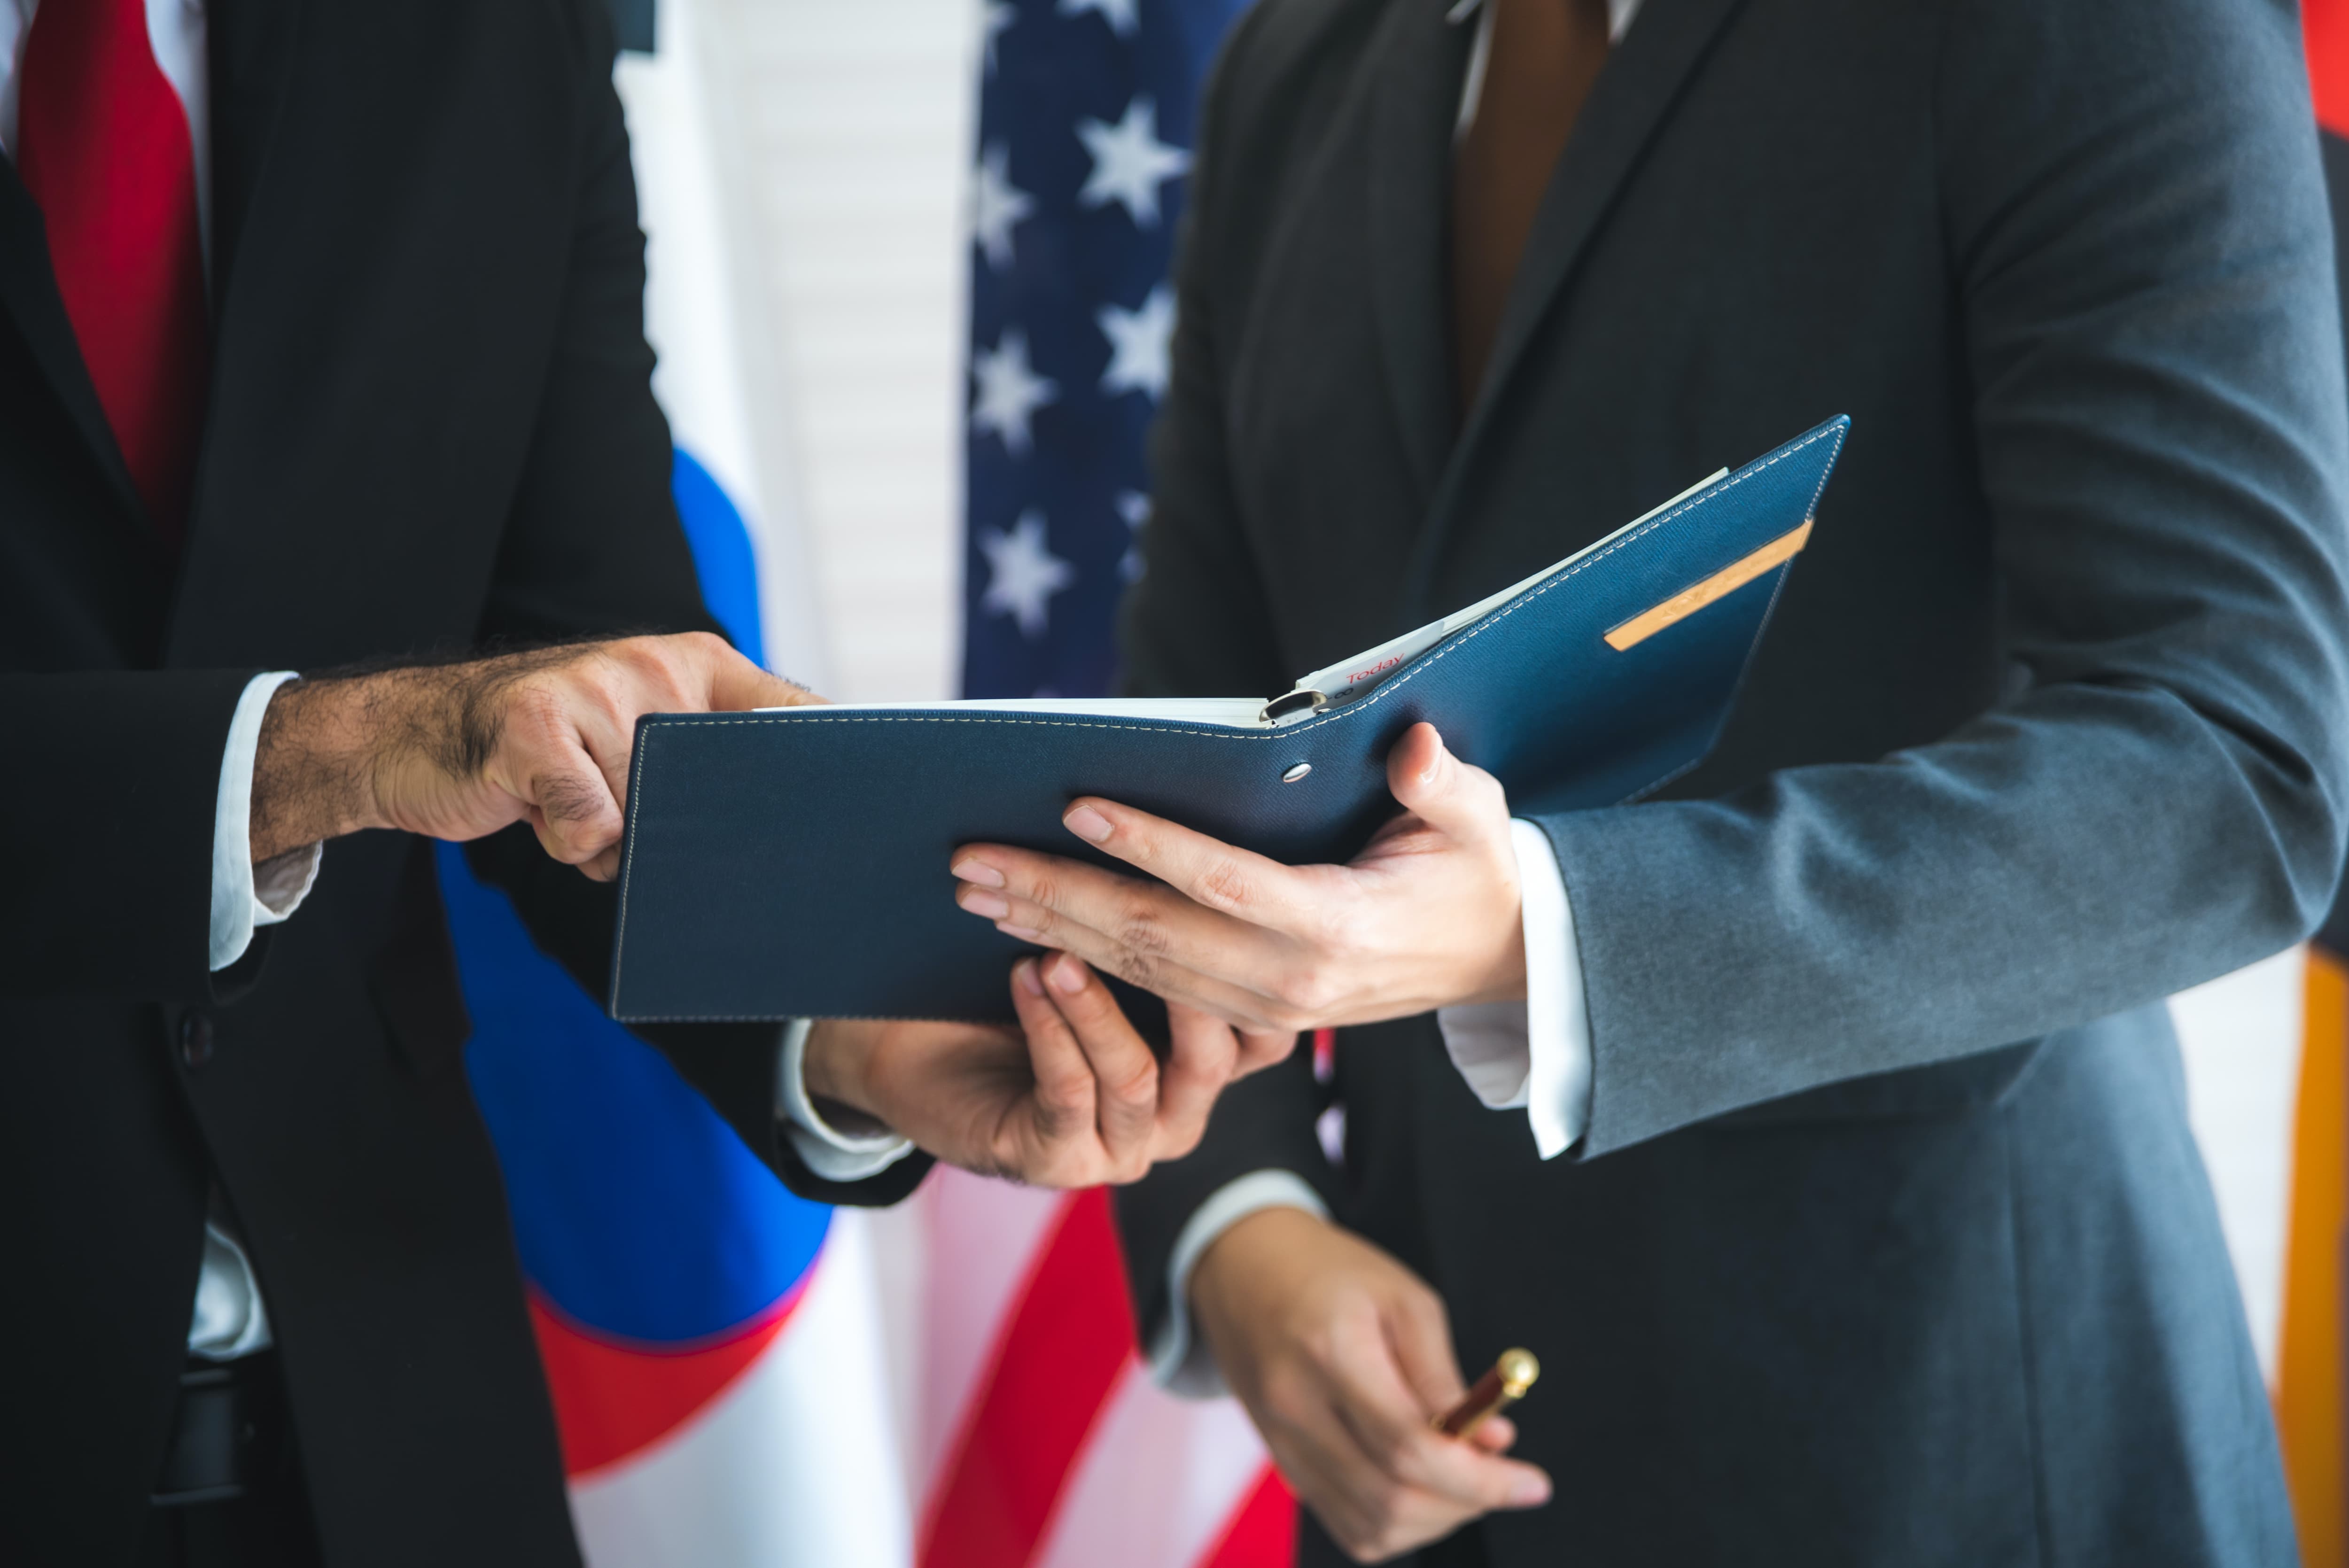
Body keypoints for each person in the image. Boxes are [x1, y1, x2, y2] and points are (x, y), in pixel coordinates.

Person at [939, 0, 2349, 1561]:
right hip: (1427, 1453)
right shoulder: (1294, 65)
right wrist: (1242, 1227)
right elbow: (1176, 762)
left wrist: (1545, 932)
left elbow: (2232, 761)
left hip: (1948, 1444)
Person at [0, 2, 1278, 1564]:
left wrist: (854, 1026)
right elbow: (437, 728)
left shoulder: (493, 37)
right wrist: (328, 754)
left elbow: (584, 681)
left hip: (389, 1435)